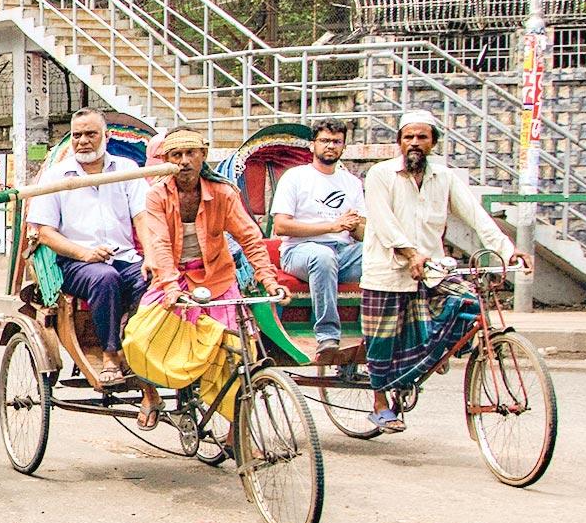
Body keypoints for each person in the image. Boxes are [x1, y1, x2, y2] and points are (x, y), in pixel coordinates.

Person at [359, 109, 523, 432]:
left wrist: (508, 249)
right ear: (399, 142)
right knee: (381, 341)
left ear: (433, 142)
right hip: (387, 272)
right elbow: (383, 223)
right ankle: (379, 403)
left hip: (432, 271)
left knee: (470, 305)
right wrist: (410, 253)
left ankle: (432, 356)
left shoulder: (445, 178)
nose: (415, 143)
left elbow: (476, 216)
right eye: (409, 137)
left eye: (422, 137)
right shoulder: (380, 175)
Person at [133, 126, 284, 431]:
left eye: (191, 153)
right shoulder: (156, 196)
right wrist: (171, 285)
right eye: (177, 155)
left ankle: (235, 433)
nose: (185, 161)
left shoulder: (224, 192)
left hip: (217, 277)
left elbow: (250, 238)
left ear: (203, 156)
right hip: (172, 279)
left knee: (239, 354)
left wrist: (268, 278)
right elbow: (159, 243)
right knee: (140, 337)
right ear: (166, 160)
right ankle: (150, 394)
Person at [26, 108, 148, 387]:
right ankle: (110, 355)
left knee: (151, 278)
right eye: (77, 135)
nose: (83, 141)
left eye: (90, 134)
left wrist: (152, 257)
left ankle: (140, 346)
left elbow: (142, 217)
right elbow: (44, 232)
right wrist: (85, 254)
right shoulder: (56, 176)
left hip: (124, 256)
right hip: (75, 263)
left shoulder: (126, 169)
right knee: (105, 278)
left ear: (106, 136)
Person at [270, 120, 367, 360]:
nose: (330, 146)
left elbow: (362, 232)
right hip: (299, 252)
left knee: (380, 254)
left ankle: (380, 332)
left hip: (343, 252)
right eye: (324, 141)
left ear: (343, 147)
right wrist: (333, 225)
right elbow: (281, 226)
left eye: (336, 142)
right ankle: (327, 336)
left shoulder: (352, 183)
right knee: (323, 257)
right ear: (313, 145)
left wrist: (355, 227)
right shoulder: (295, 177)